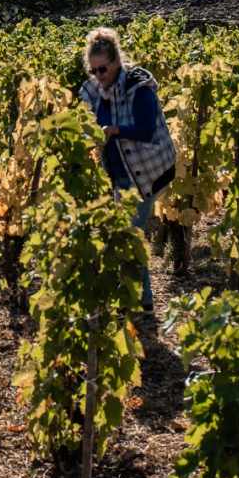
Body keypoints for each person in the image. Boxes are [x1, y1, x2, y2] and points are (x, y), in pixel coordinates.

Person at [78, 26, 176, 314]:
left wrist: (115, 130)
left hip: (146, 171)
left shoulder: (137, 85)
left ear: (117, 60)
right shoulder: (96, 90)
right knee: (129, 235)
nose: (99, 76)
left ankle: (137, 300)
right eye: (94, 70)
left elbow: (146, 129)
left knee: (130, 235)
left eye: (103, 69)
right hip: (118, 173)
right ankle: (141, 300)